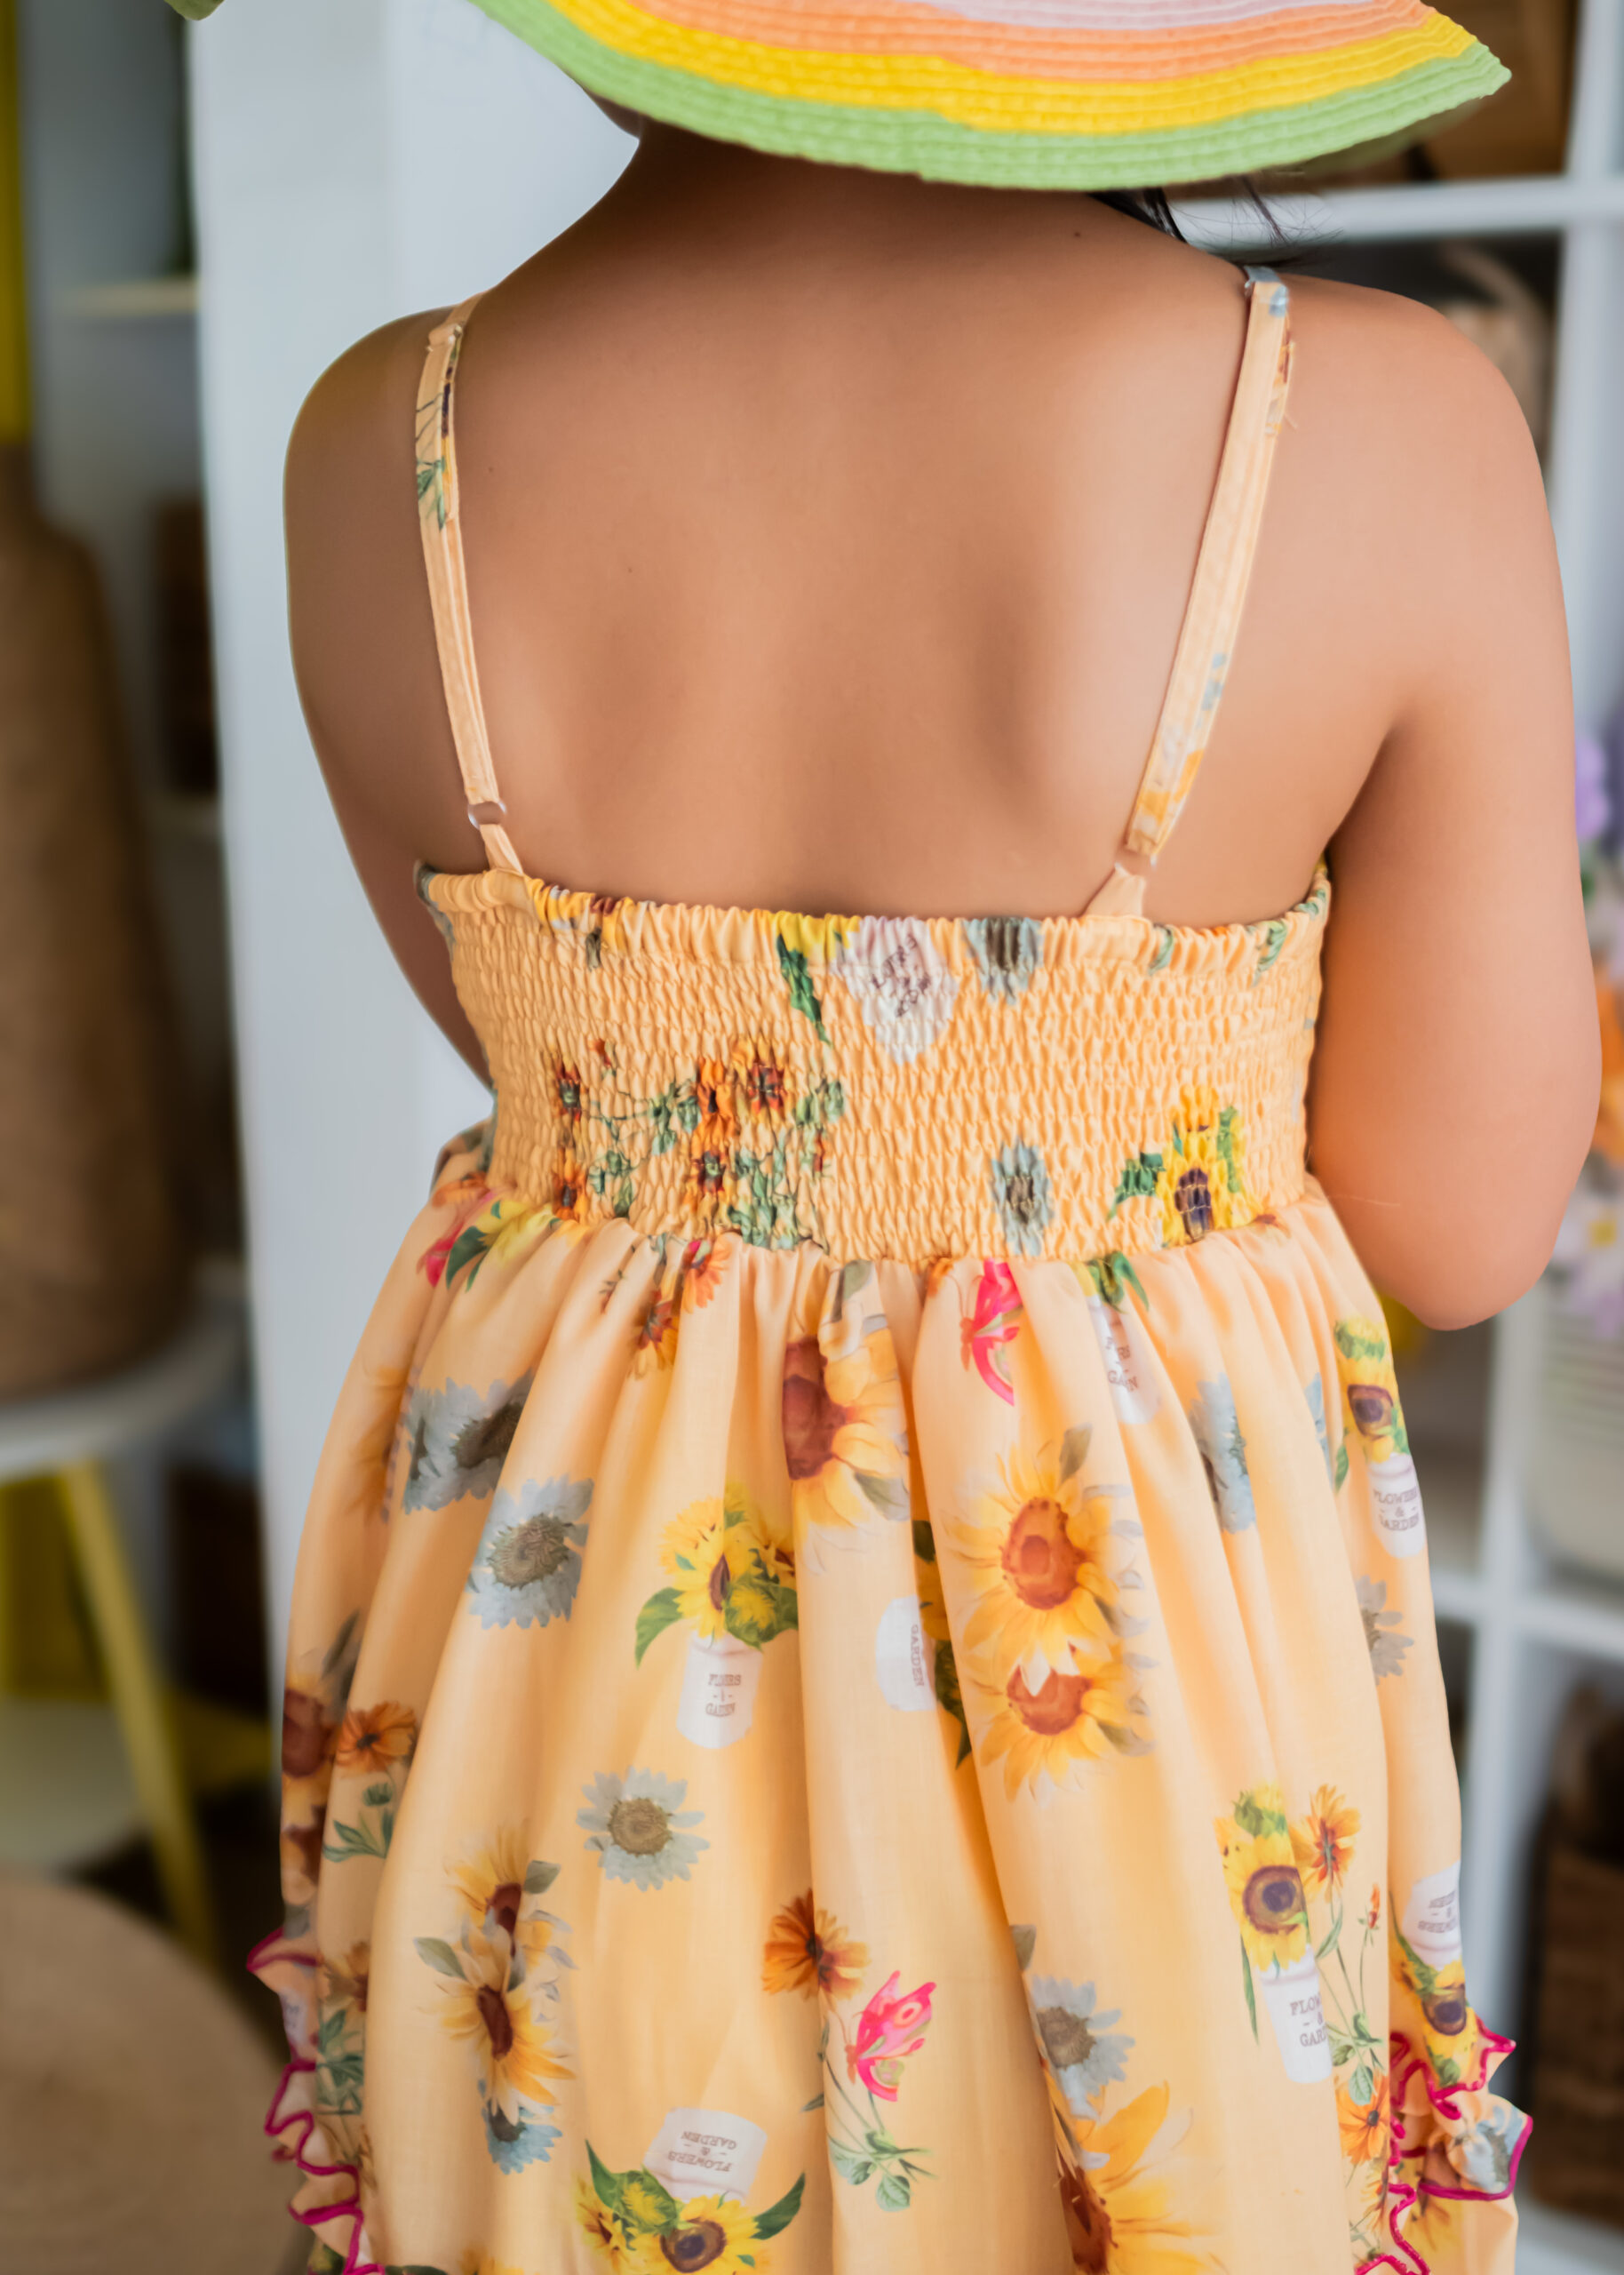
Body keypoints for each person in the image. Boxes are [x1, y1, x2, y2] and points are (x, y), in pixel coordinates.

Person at [216, 0, 1596, 2264]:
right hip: (1121, 1792)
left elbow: (535, 1071)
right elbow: (1458, 1217)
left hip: (561, 1754)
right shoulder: (1368, 424)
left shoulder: (382, 441)